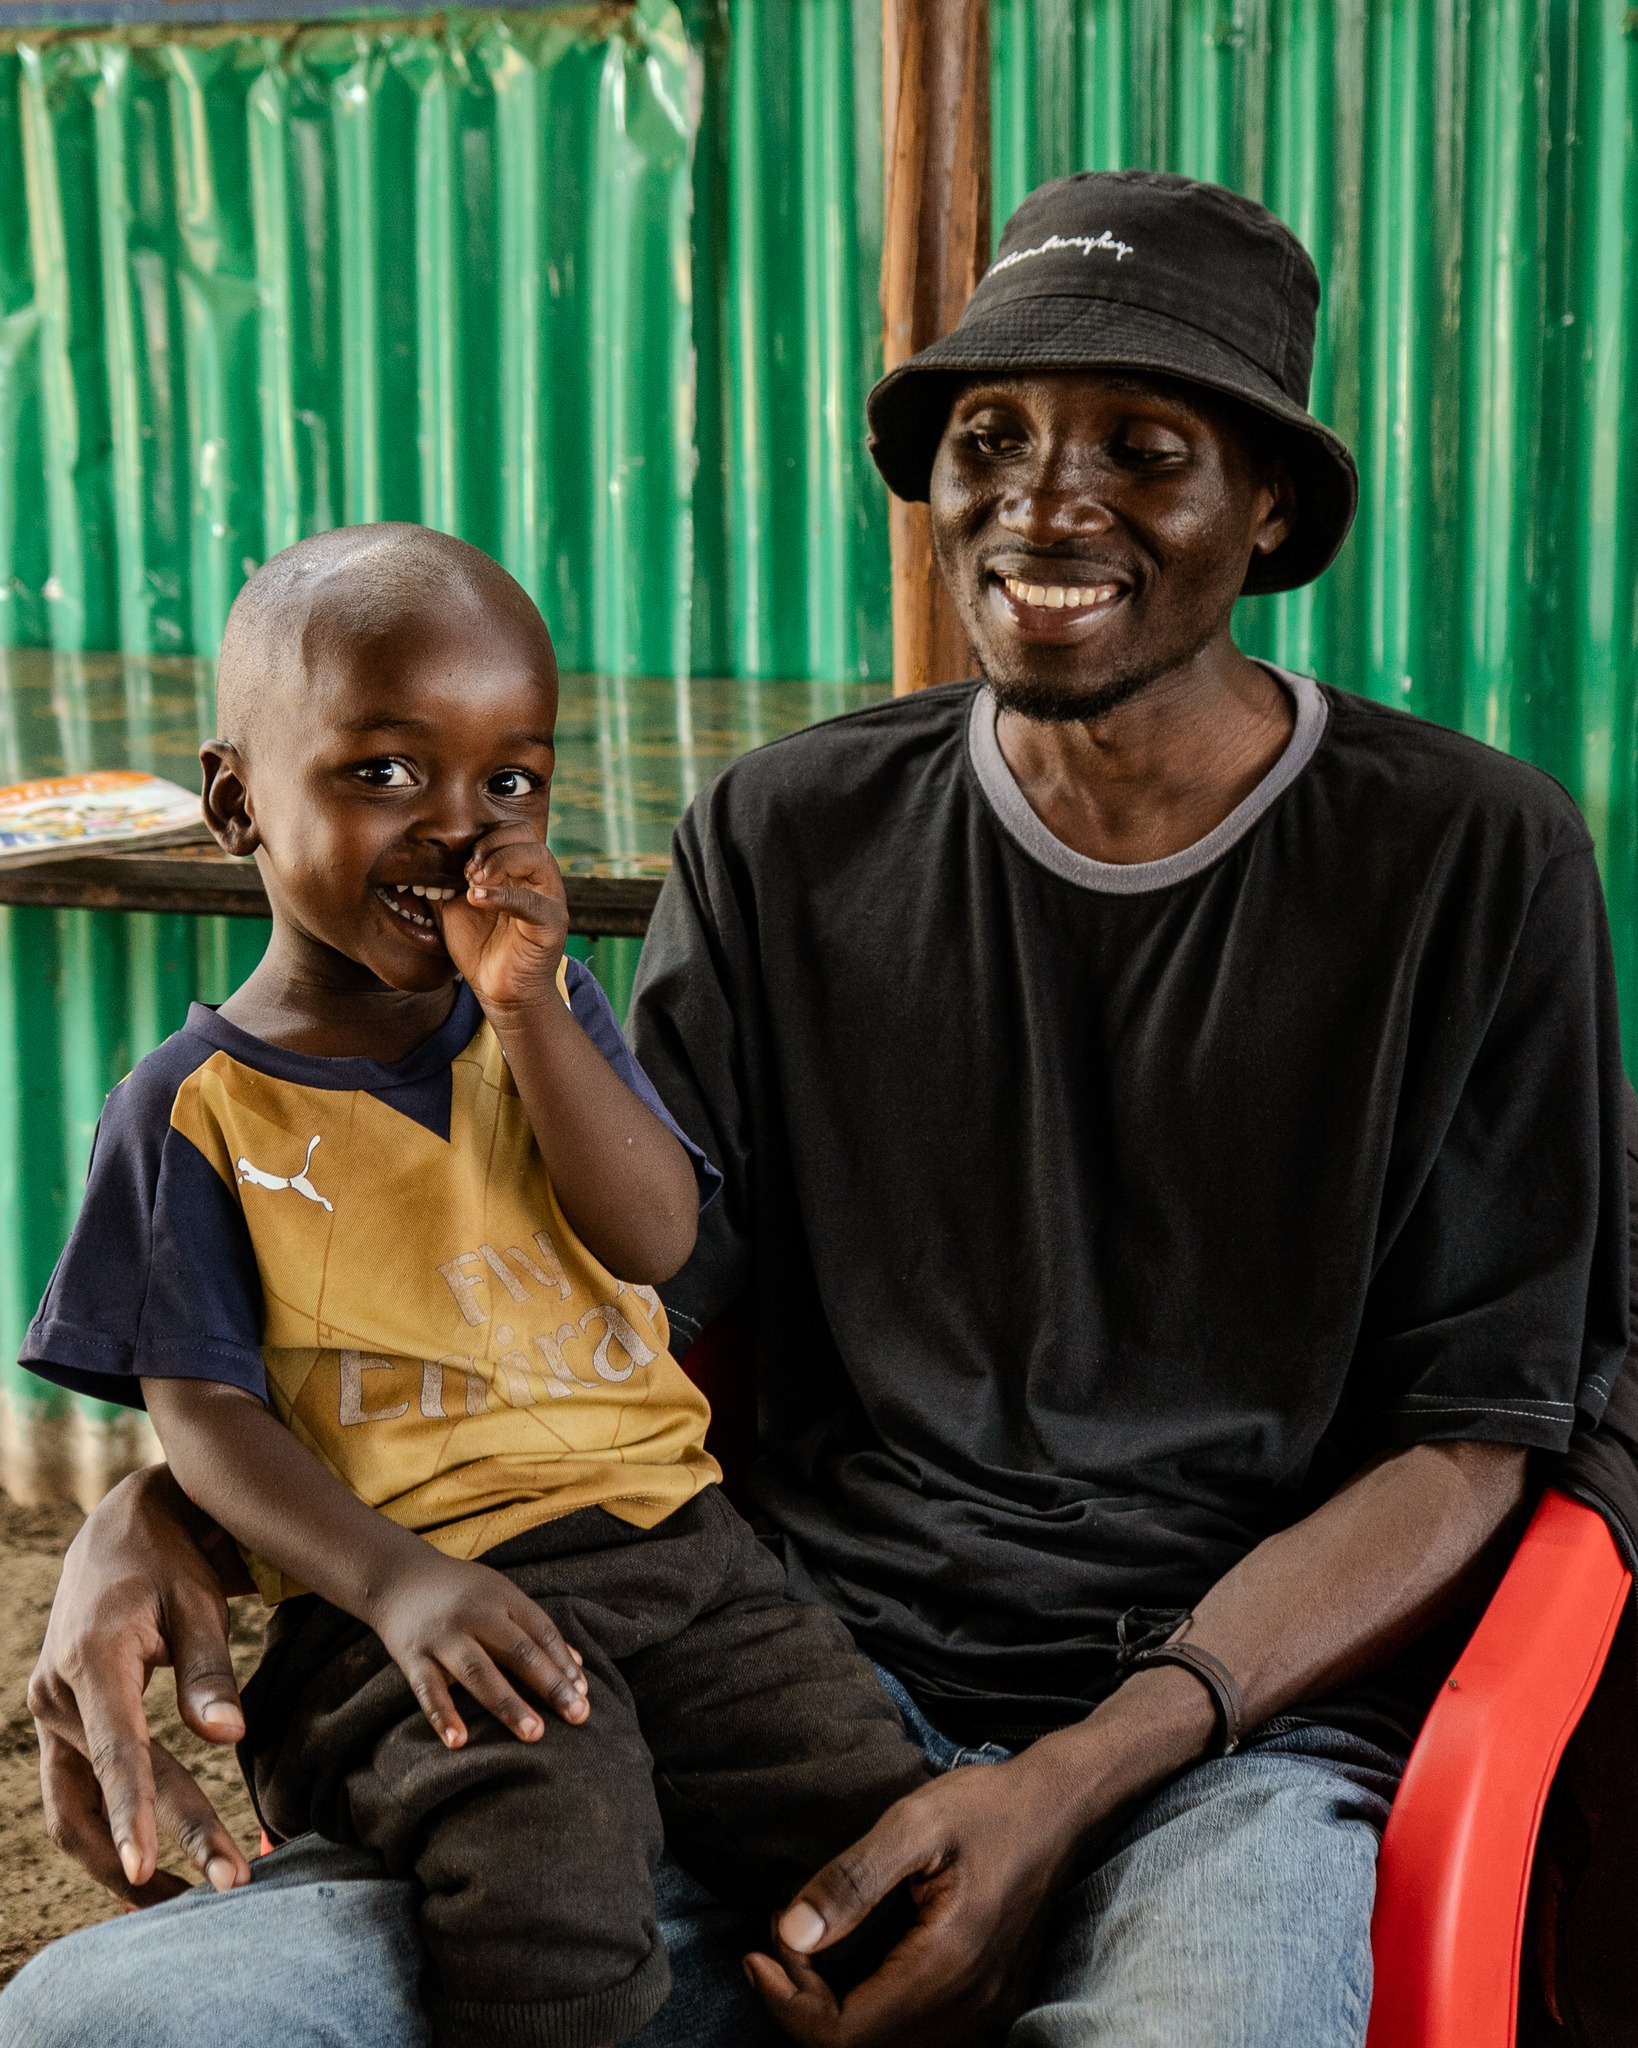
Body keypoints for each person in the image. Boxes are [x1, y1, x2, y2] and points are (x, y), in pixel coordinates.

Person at [2, 170, 1628, 2048]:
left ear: (1266, 508)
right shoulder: (785, 833)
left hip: (1223, 1737)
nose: (1044, 499)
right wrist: (166, 1506)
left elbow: (1471, 1441)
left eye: (1142, 446)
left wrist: (1070, 1781)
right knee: (123, 2022)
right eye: (989, 438)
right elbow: (599, 1298)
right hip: (764, 1679)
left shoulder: (1469, 860)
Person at [4, 524, 928, 2048]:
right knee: (544, 1854)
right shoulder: (193, 1113)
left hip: (677, 1555)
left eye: (509, 784)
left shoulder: (547, 1016)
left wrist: (532, 1017)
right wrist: (396, 1584)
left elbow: (654, 1241)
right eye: (384, 773)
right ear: (237, 803)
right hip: (398, 1612)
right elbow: (208, 1423)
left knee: (863, 1809)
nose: (456, 830)